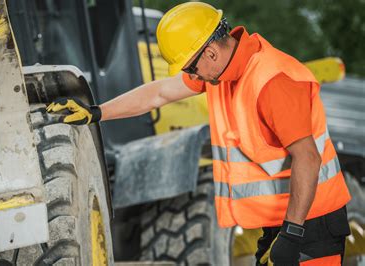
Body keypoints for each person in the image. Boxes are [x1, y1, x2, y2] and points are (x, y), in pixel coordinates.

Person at [46, 2, 351, 265]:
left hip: (312, 223)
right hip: (281, 222)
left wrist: (292, 233)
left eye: (191, 68)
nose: (191, 77)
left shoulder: (273, 81)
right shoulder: (223, 72)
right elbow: (159, 94)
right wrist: (97, 112)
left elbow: (308, 158)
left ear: (210, 52)